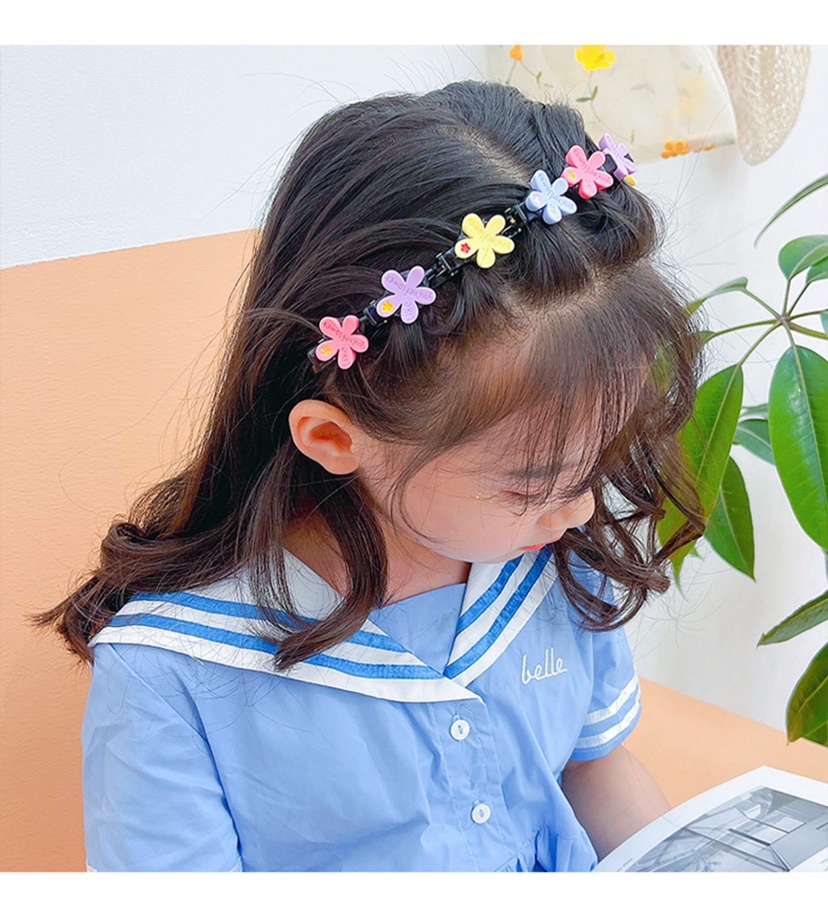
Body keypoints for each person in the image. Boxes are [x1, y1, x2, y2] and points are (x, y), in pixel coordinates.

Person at [32, 79, 707, 872]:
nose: (583, 506)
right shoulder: (174, 671)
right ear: (334, 437)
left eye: (594, 462)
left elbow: (592, 768)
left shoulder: (552, 563)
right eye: (533, 483)